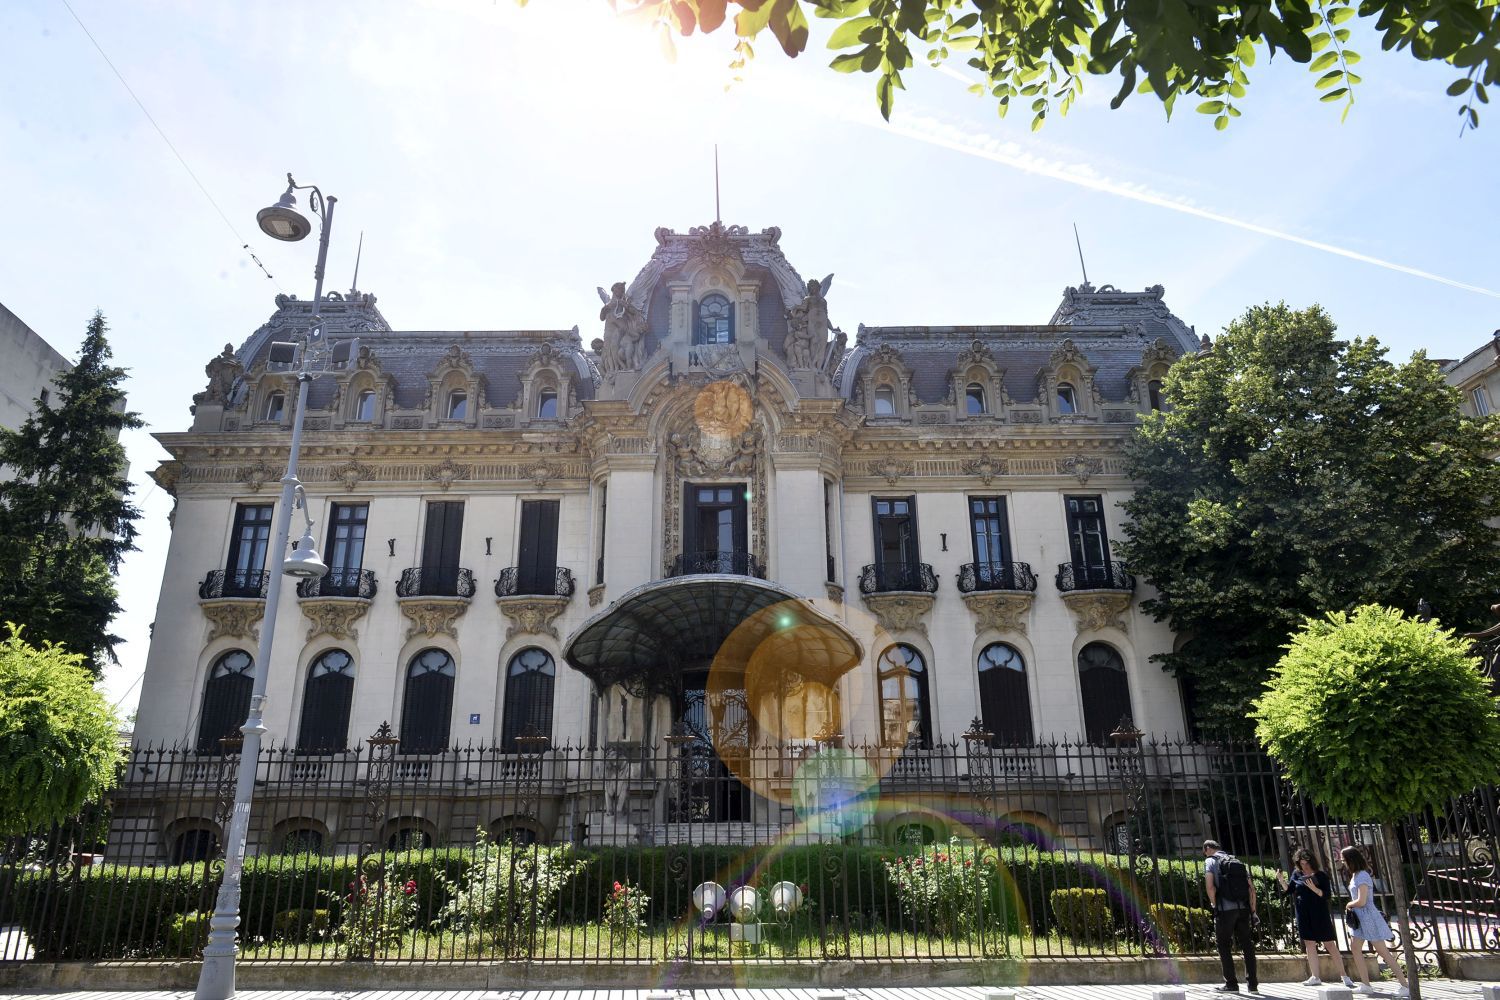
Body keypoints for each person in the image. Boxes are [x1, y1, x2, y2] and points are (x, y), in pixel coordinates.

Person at [1277, 848, 1354, 988]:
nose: (1304, 866)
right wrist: (1282, 881)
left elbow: (1327, 895)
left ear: (1312, 861)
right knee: (1309, 944)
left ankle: (1344, 976)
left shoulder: (1321, 875)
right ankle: (1315, 976)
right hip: (1303, 913)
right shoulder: (1297, 873)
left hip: (1319, 913)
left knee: (1330, 944)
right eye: (1301, 863)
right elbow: (1290, 891)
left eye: (1306, 863)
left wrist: (1314, 889)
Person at [1341, 846, 1410, 998]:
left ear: (1351, 860)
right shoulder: (1357, 875)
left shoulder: (1363, 876)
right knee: (1355, 948)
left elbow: (1362, 900)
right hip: (1360, 918)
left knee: (1383, 951)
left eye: (1344, 859)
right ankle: (1366, 984)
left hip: (1367, 917)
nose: (1342, 862)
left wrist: (1349, 904)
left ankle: (1405, 985)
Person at [1204, 839, 1258, 994]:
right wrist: (1253, 910)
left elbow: (1210, 886)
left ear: (1207, 849)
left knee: (1223, 945)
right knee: (1247, 944)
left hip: (1225, 909)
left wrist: (1215, 904)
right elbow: (1251, 889)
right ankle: (1253, 985)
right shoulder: (1236, 861)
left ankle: (1231, 984)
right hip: (1243, 908)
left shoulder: (1210, 861)